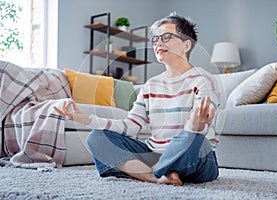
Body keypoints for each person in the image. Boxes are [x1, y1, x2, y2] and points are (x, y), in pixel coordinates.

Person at [54, 13, 220, 186]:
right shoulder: (151, 85)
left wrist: (194, 128)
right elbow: (131, 126)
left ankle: (155, 169)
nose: (158, 43)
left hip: (197, 156)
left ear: (186, 45)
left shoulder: (203, 79)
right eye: (155, 39)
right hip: (154, 152)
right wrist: (87, 120)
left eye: (166, 37)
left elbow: (198, 130)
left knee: (192, 139)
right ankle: (156, 176)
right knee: (97, 137)